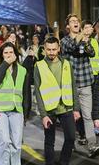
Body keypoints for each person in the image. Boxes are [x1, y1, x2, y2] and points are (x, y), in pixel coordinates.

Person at [33, 36, 79, 165]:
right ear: (44, 49)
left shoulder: (66, 64)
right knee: (49, 141)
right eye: (49, 49)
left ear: (59, 48)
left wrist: (76, 108)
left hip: (66, 107)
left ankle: (64, 162)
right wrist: (43, 115)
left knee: (71, 138)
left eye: (54, 49)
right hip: (49, 110)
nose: (51, 52)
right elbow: (38, 92)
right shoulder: (39, 66)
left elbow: (73, 86)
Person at [60, 15, 99, 156]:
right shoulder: (64, 41)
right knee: (71, 117)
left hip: (85, 83)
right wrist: (82, 35)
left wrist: (87, 40)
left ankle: (92, 145)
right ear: (68, 26)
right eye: (72, 21)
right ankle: (70, 143)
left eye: (77, 21)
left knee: (87, 116)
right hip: (70, 86)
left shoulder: (84, 38)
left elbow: (92, 53)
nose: (76, 23)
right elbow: (73, 46)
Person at [0, 41, 31, 165]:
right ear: (1, 55)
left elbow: (26, 93)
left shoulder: (22, 70)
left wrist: (26, 113)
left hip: (17, 111)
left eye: (11, 52)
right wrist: (6, 64)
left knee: (17, 144)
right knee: (4, 142)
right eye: (5, 53)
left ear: (15, 54)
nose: (8, 55)